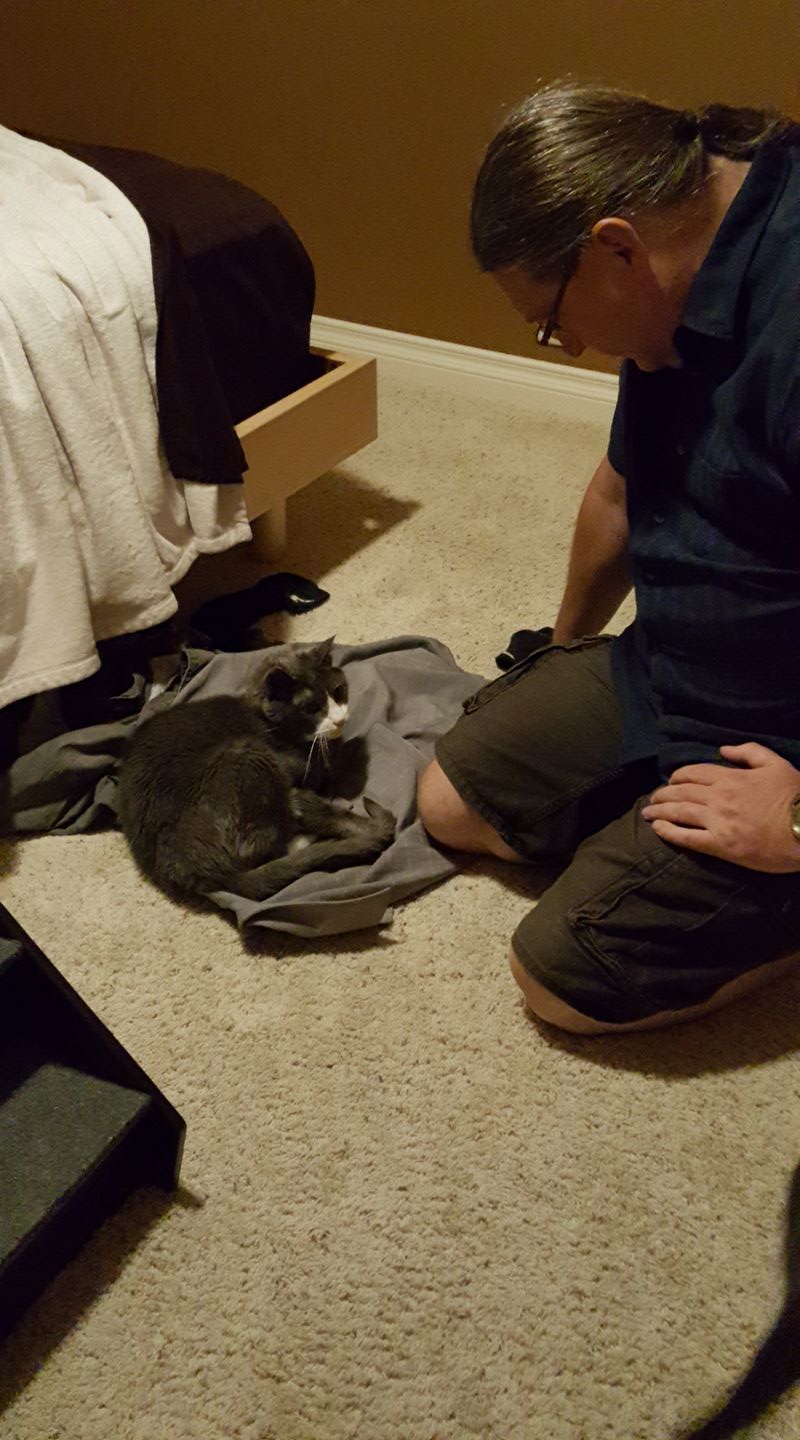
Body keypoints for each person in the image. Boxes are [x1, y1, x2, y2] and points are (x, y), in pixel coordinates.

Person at [417, 82, 800, 1035]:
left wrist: (795, 822)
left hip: (782, 735)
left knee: (562, 977)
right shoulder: (674, 277)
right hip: (678, 660)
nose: (572, 346)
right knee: (453, 802)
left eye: (554, 323)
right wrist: (561, 650)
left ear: (615, 248)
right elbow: (621, 492)